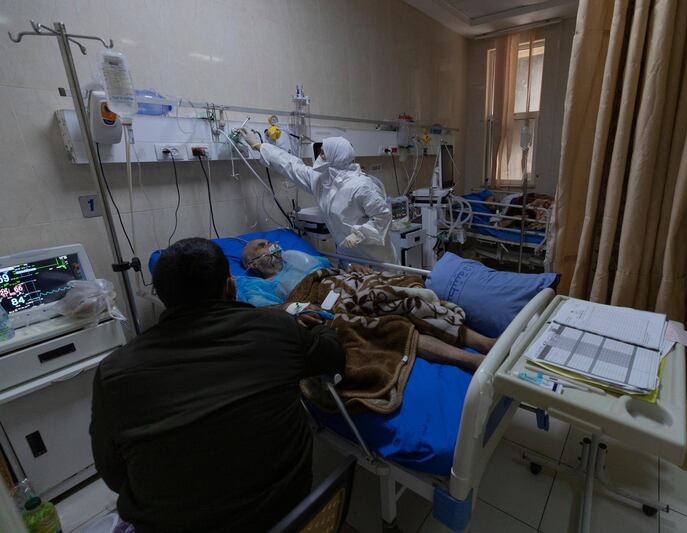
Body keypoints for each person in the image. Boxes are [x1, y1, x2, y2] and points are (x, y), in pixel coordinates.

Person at [89, 238, 345, 532]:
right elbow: (333, 355)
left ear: (162, 296)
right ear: (231, 286)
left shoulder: (114, 373)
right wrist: (321, 329)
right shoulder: (276, 326)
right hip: (291, 517)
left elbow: (113, 475)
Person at [239, 238, 496, 371]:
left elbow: (331, 271)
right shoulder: (257, 285)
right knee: (391, 323)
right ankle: (470, 360)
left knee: (408, 296)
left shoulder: (297, 260)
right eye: (261, 246)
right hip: (322, 302)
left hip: (344, 282)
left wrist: (353, 269)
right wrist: (297, 309)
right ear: (252, 263)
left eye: (267, 241)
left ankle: (482, 343)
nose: (270, 246)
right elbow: (267, 312)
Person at [237, 130, 398, 264]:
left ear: (336, 156)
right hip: (348, 258)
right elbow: (291, 165)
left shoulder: (362, 185)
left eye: (323, 153)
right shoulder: (322, 181)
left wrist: (360, 234)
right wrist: (260, 146)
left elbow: (383, 216)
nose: (319, 157)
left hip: (376, 259)